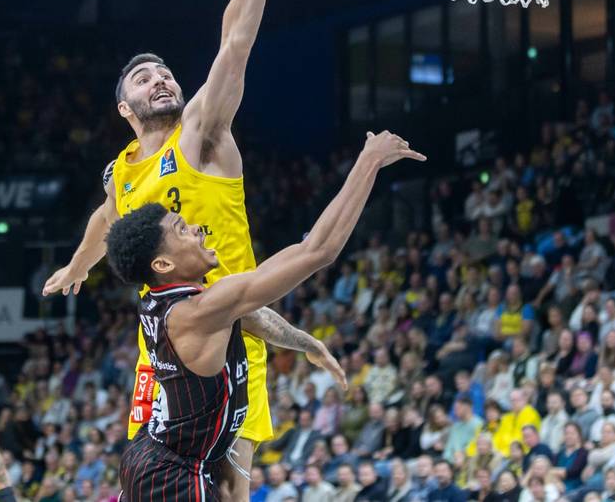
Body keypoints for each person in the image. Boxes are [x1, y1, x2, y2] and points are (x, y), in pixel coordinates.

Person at [41, 0, 320, 500]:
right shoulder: (120, 171)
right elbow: (106, 220)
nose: (161, 79)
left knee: (227, 489)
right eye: (143, 79)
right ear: (125, 109)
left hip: (230, 329)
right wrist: (77, 265)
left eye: (164, 72)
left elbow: (235, 42)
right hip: (162, 344)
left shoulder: (201, 132)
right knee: (151, 483)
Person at [106, 131, 423, 501]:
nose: (195, 228)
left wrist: (308, 343)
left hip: (161, 456)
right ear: (163, 263)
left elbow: (254, 317)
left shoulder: (181, 301)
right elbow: (317, 251)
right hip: (170, 472)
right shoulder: (201, 311)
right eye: (181, 229)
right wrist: (369, 161)